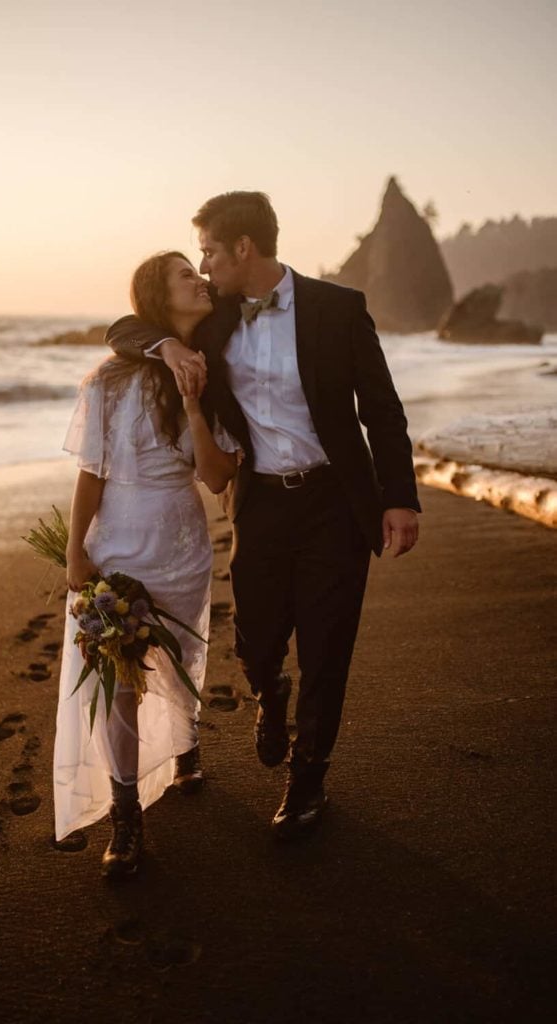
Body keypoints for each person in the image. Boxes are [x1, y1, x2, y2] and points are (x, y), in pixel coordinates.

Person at [105, 191, 421, 841]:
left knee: (327, 647)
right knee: (255, 639)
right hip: (261, 503)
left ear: (243, 248)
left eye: (210, 252)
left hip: (336, 503)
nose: (204, 265)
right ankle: (270, 695)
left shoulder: (338, 308)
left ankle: (307, 780)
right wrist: (165, 346)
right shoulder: (213, 318)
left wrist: (399, 497)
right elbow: (124, 329)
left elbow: (382, 410)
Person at [53, 250, 240, 878]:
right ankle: (126, 814)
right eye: (186, 274)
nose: (200, 279)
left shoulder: (214, 372)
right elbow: (91, 473)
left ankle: (186, 744)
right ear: (159, 297)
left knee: (181, 656)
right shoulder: (109, 380)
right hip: (118, 542)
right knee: (120, 678)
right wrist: (76, 551)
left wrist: (195, 405)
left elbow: (217, 476)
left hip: (181, 543)